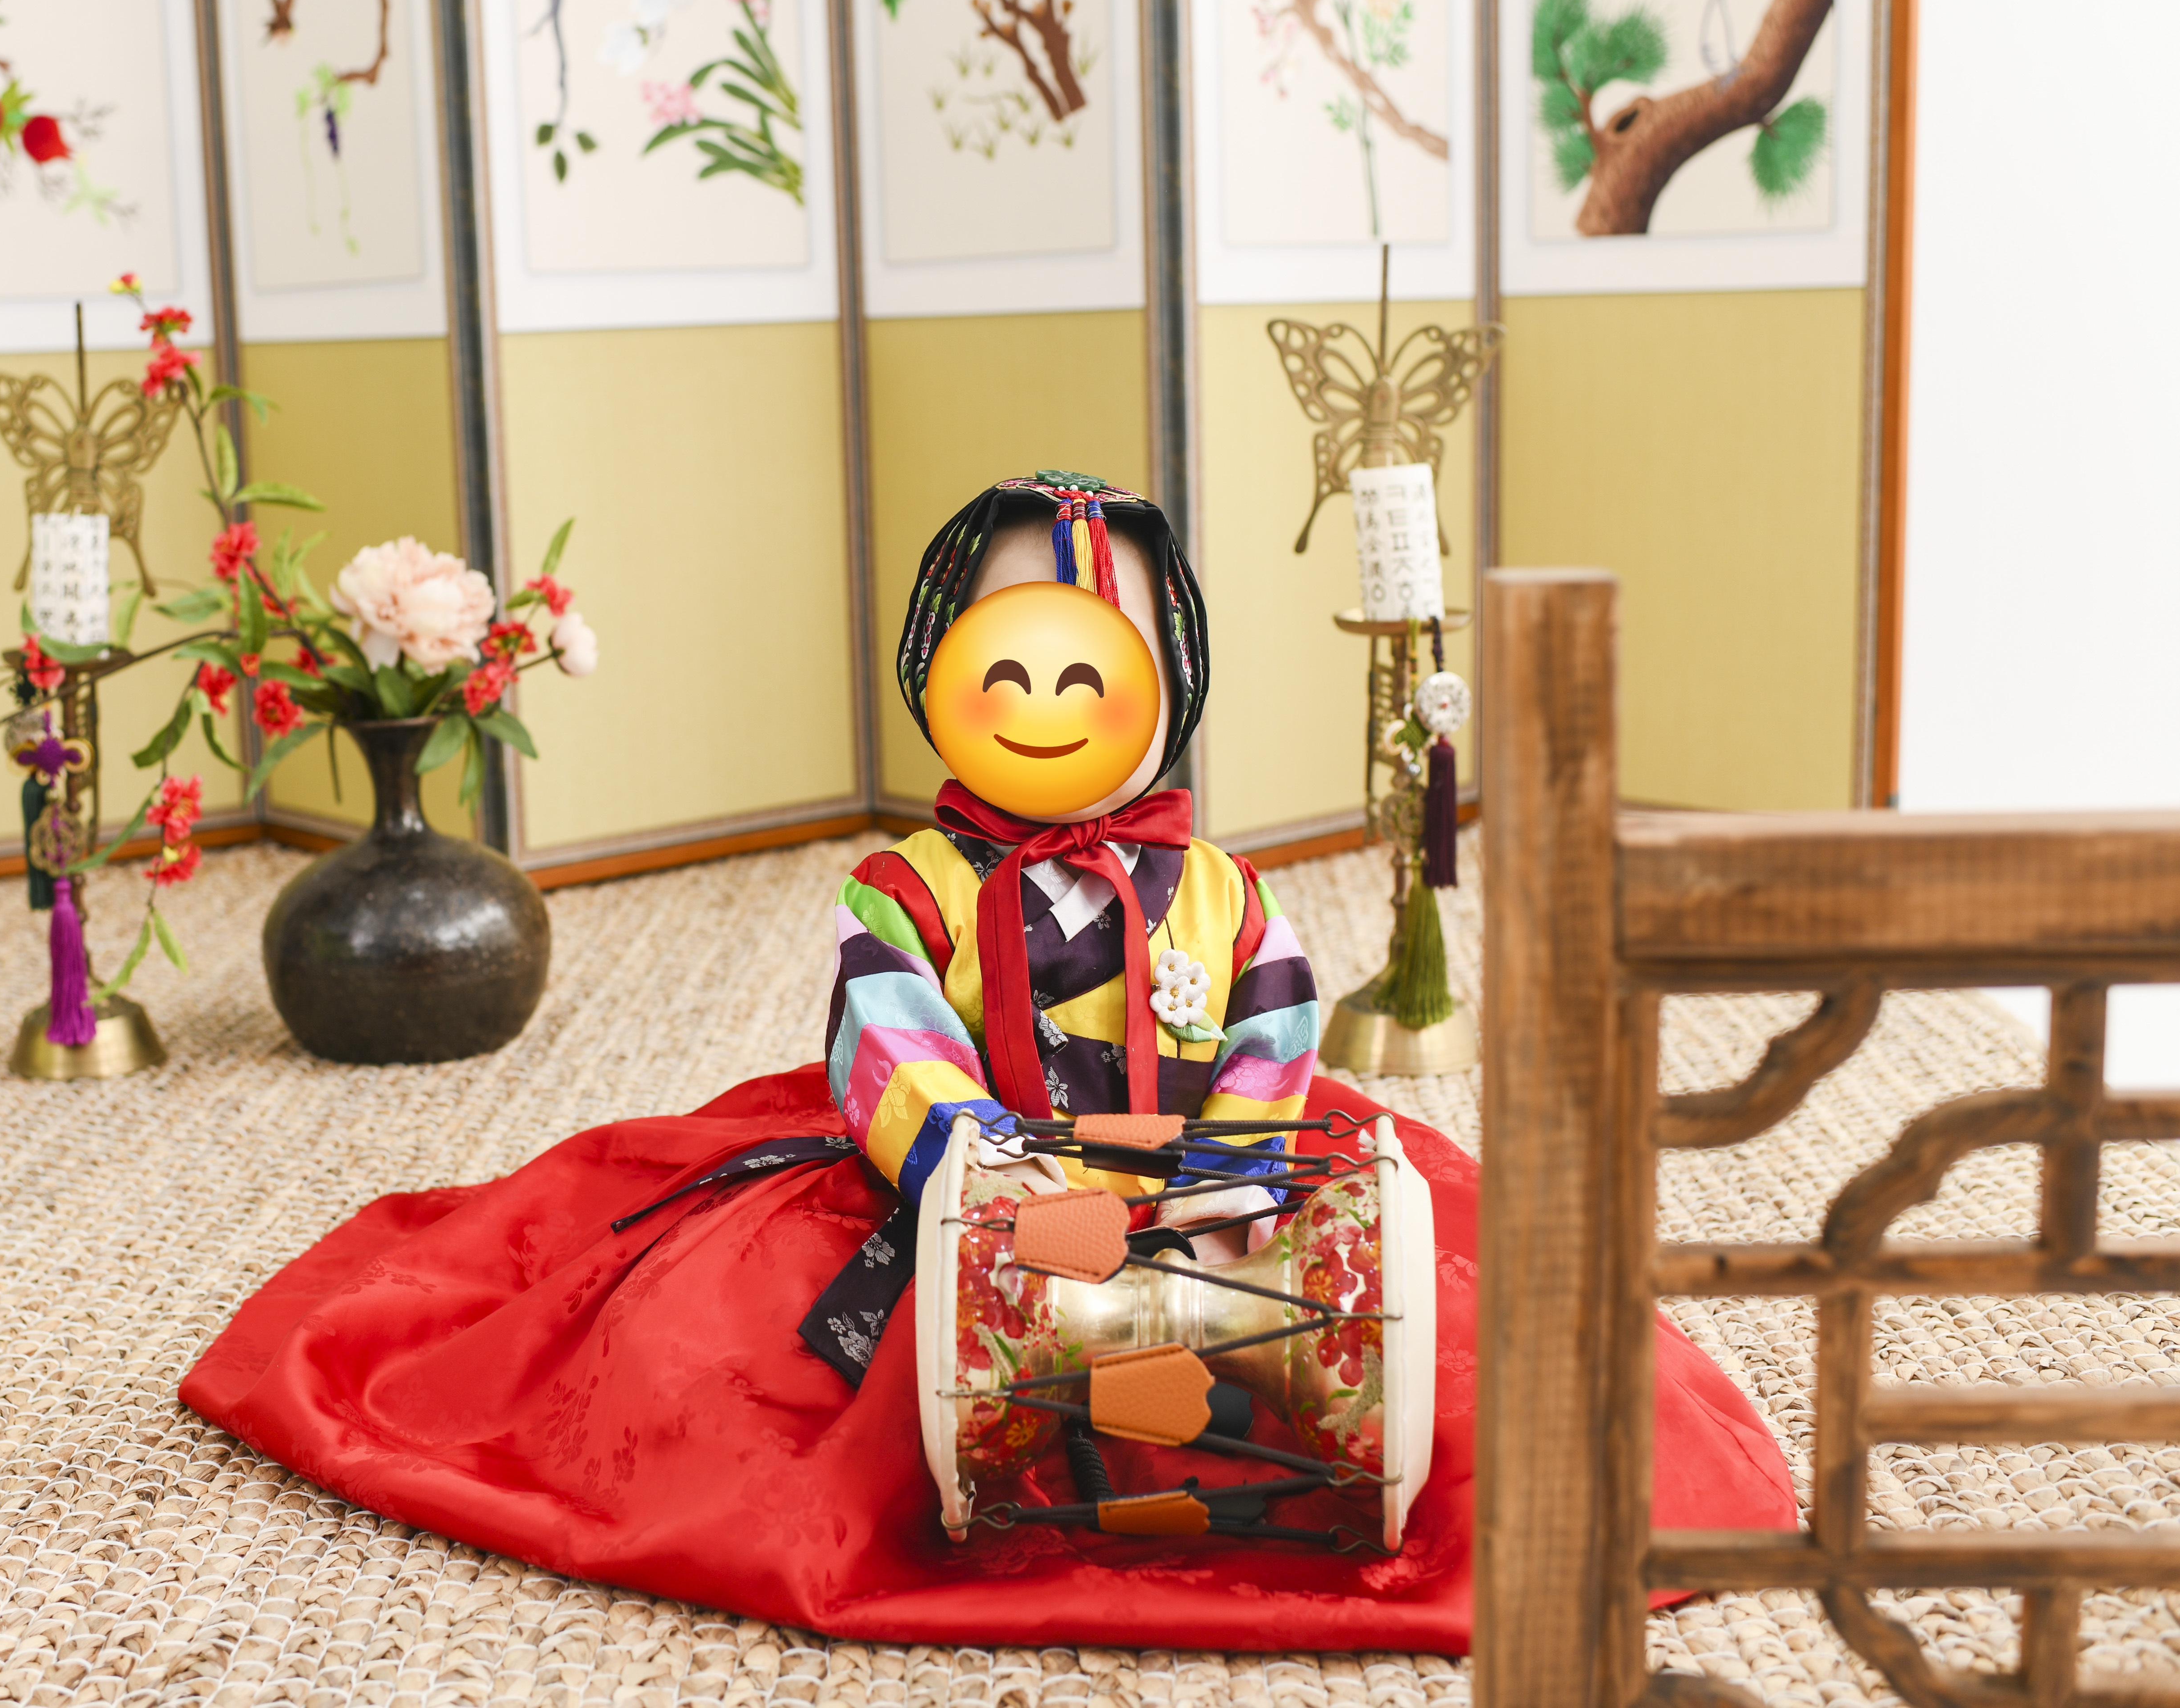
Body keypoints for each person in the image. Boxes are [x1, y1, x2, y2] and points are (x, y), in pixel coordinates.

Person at [179, 474, 1796, 1652]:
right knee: (728, 1382)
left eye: (1097, 652)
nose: (1049, 691)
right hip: (961, 1188)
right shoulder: (909, 885)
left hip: (1216, 1186)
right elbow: (892, 1040)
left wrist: (1227, 1173)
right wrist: (1000, 1179)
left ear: (1164, 677)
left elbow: (1274, 1030)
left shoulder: (1220, 889)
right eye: (1010, 647)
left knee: (1442, 1334)